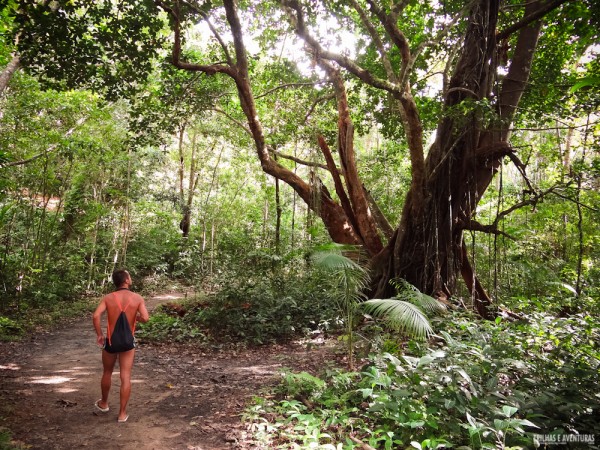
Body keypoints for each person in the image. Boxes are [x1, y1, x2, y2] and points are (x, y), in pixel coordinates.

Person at [92, 269, 149, 423]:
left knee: (107, 372)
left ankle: (104, 403)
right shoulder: (137, 298)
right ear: (126, 280)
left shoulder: (109, 298)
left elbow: (96, 315)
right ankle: (122, 414)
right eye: (129, 276)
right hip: (127, 343)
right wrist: (134, 317)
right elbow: (145, 318)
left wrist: (99, 335)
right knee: (125, 376)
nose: (131, 278)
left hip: (110, 341)